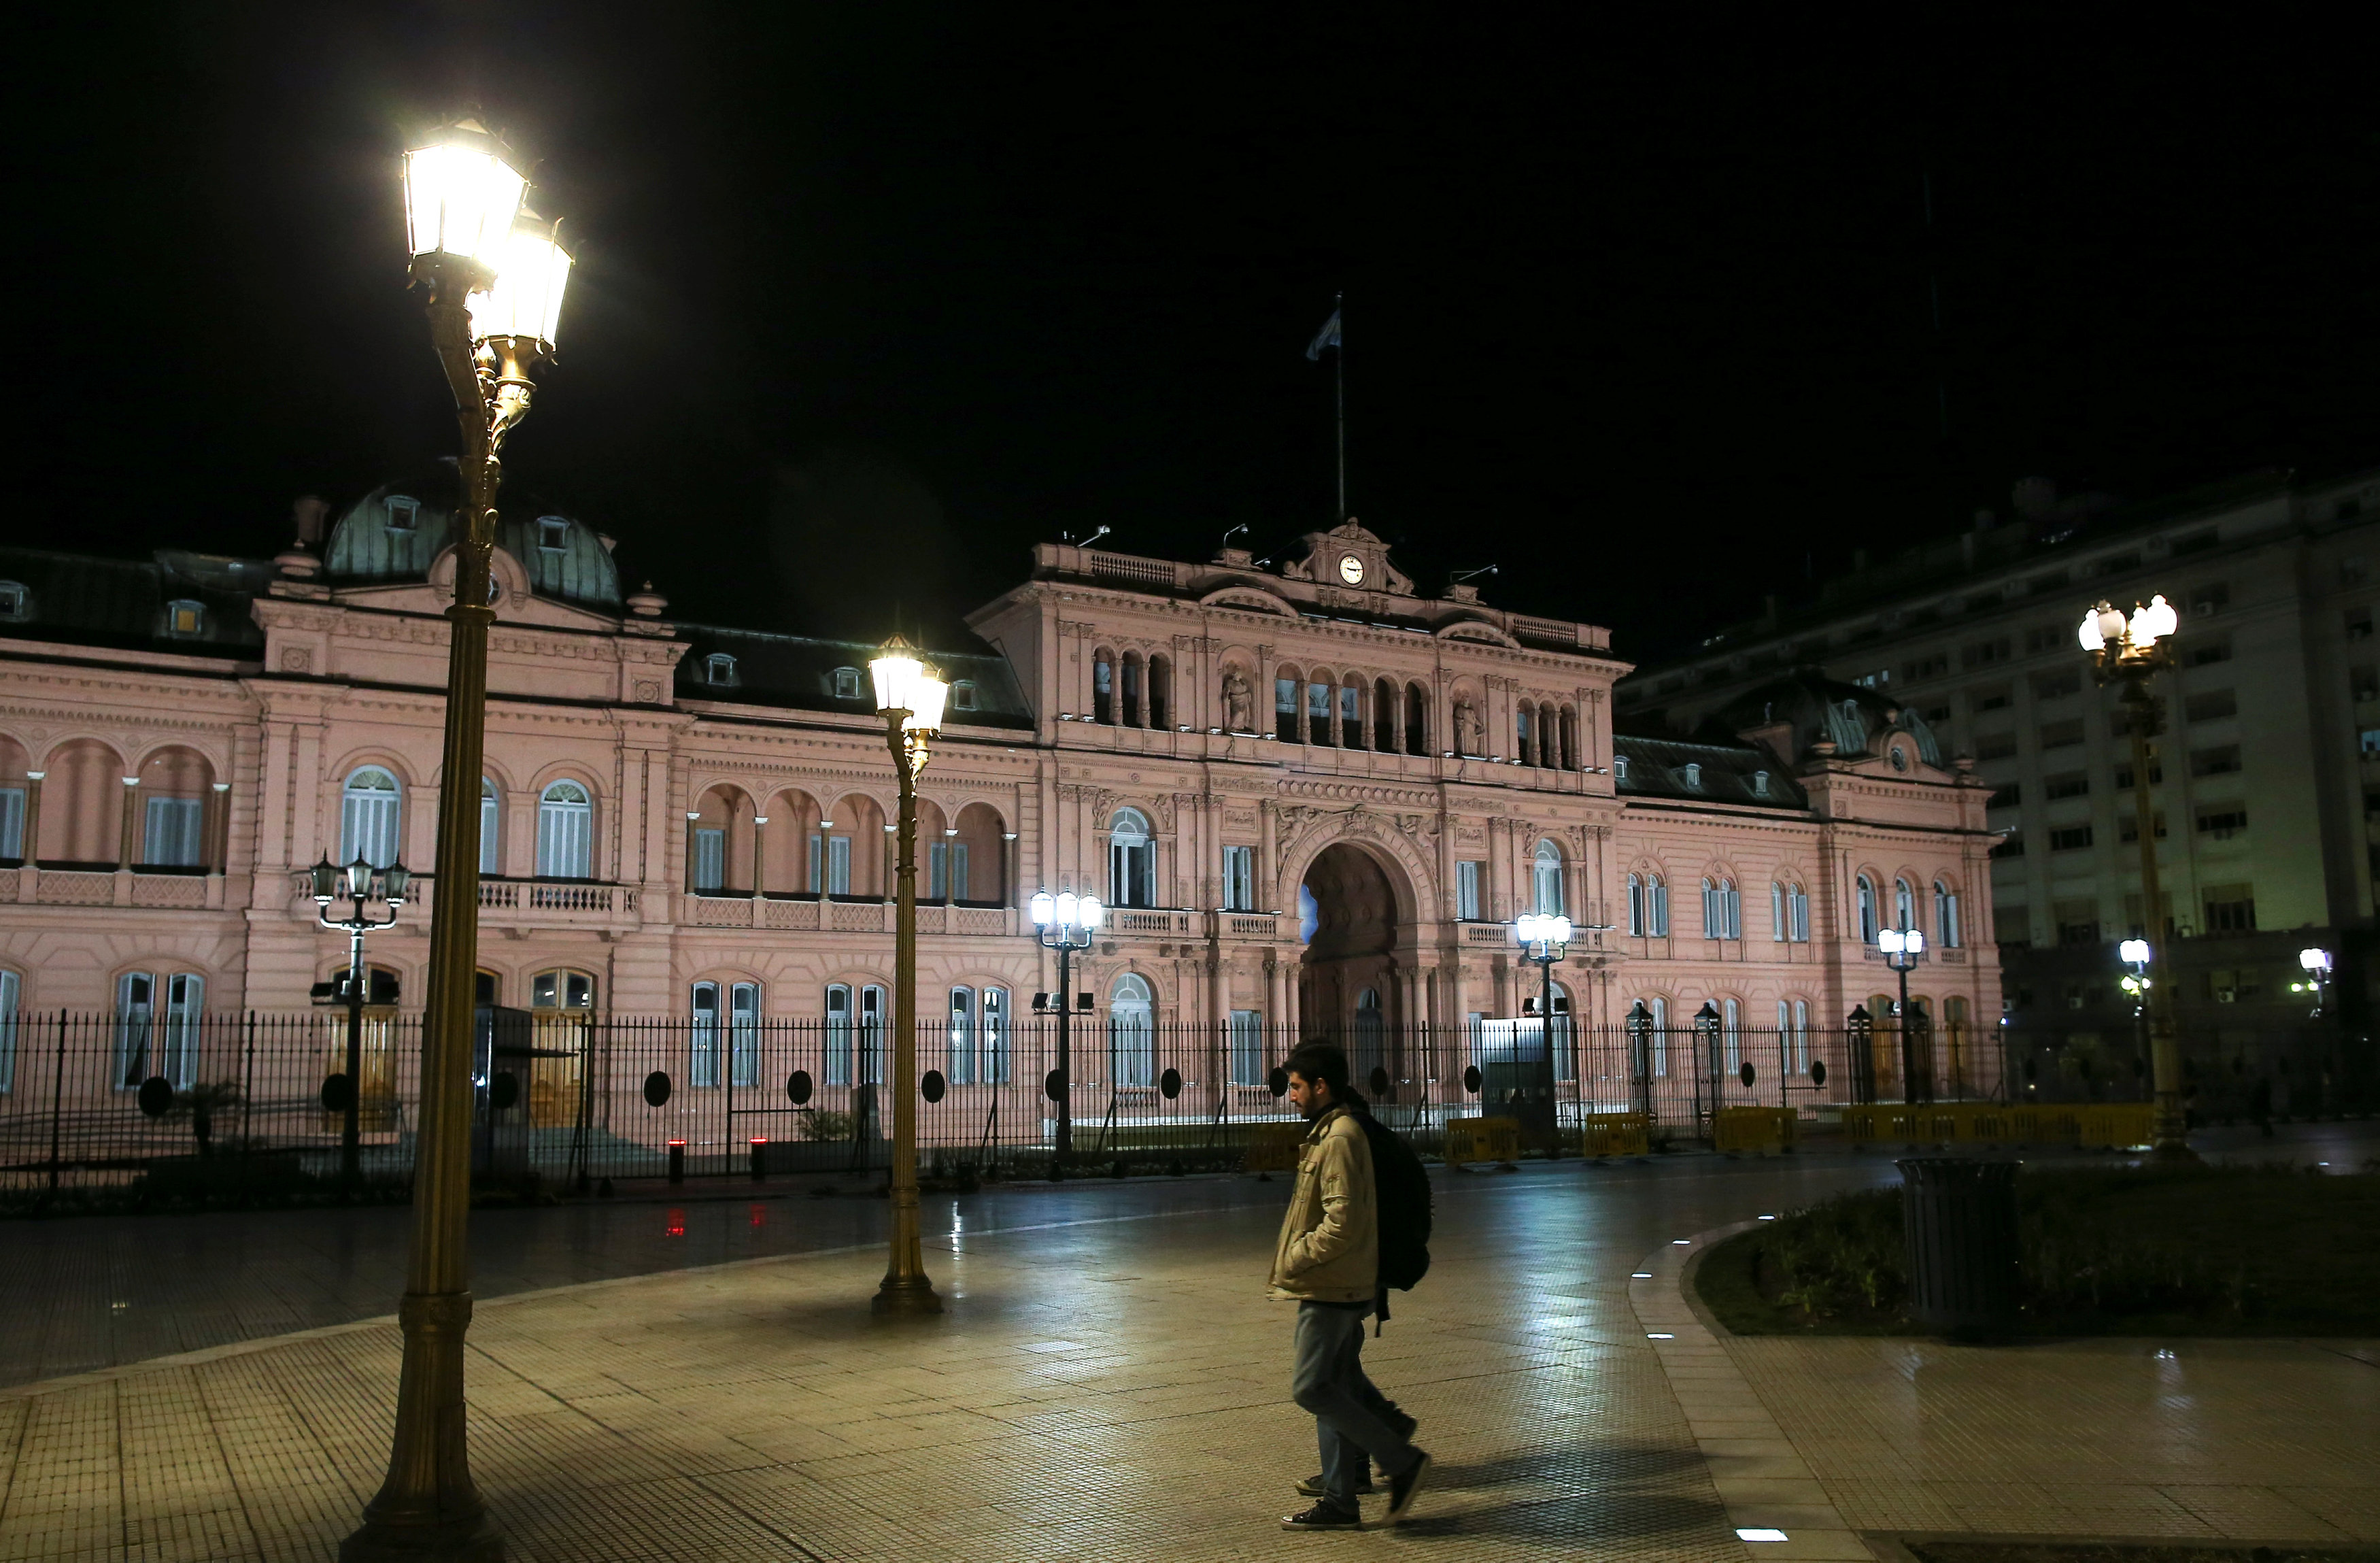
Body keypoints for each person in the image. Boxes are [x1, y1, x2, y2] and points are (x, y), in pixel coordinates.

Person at [1270, 1041, 1429, 1530]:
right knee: (1334, 1384)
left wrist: (1295, 1258)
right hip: (1335, 1280)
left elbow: (1341, 1222)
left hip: (1334, 1283)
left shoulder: (1340, 1136)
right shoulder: (1330, 1130)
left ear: (1321, 1086)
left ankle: (1400, 1458)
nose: (1291, 1095)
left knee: (1311, 1387)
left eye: (1297, 1086)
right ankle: (1342, 1498)